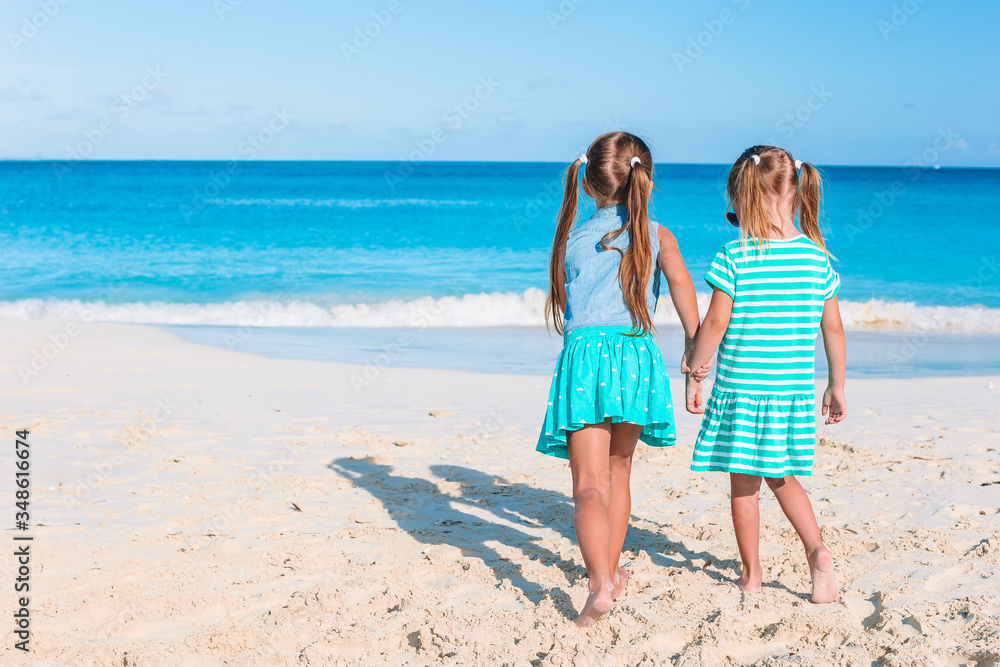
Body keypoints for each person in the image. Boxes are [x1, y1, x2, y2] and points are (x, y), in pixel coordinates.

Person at [536, 131, 702, 625]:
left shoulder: (572, 237)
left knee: (587, 486)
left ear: (587, 184)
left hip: (586, 358)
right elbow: (685, 295)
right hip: (636, 357)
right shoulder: (657, 234)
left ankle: (601, 584)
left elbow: (570, 304)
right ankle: (610, 569)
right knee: (619, 472)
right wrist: (695, 352)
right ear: (645, 178)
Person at [685, 145, 846, 604]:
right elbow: (832, 328)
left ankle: (752, 575)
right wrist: (836, 384)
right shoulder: (817, 259)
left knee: (743, 486)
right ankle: (817, 552)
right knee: (782, 477)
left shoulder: (734, 256)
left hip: (742, 390)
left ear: (741, 200)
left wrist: (697, 373)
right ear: (796, 193)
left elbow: (715, 323)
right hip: (791, 391)